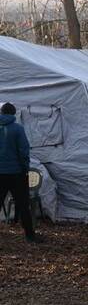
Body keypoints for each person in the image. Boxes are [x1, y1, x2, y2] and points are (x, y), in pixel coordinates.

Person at [0, 102, 42, 243]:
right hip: (16, 173)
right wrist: (25, 167)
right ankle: (29, 235)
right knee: (23, 204)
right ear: (13, 114)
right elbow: (23, 150)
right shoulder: (18, 129)